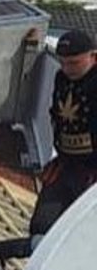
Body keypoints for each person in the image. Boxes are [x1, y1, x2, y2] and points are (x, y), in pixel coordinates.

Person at [30, 26, 97, 241]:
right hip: (67, 163)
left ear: (93, 56)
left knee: (81, 232)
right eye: (63, 62)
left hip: (92, 169)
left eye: (74, 63)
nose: (68, 68)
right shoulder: (62, 79)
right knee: (42, 224)